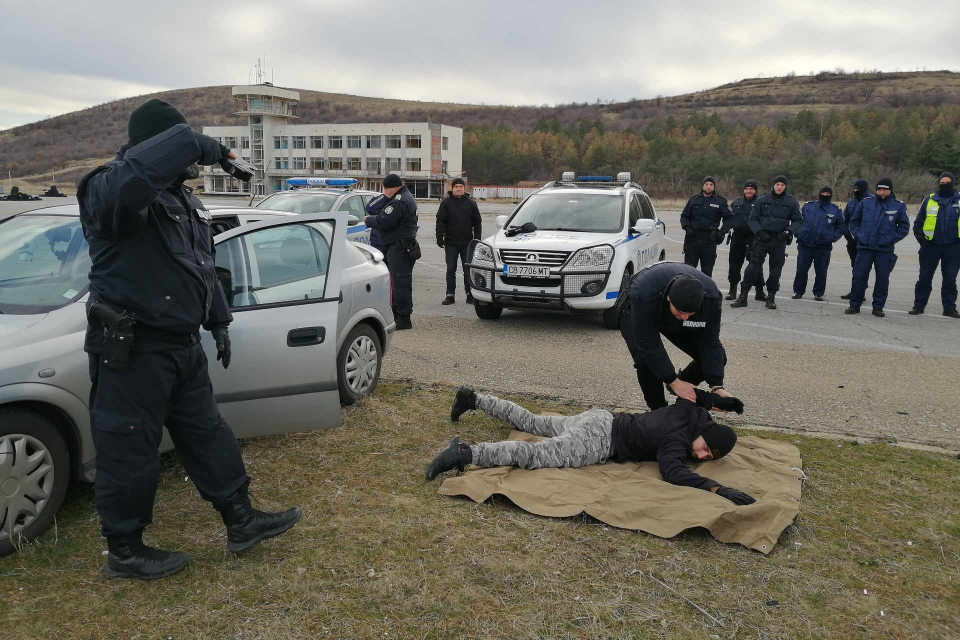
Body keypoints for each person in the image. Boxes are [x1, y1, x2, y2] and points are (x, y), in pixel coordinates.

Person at [77, 99, 301, 580]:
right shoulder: (107, 190)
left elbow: (201, 268)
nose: (192, 160)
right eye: (180, 145)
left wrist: (218, 319)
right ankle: (126, 550)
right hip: (132, 348)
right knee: (129, 448)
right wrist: (196, 143)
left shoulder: (182, 200)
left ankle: (241, 521)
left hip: (181, 345)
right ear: (159, 144)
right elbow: (131, 184)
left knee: (208, 434)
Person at [425, 388, 756, 506]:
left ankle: (474, 398)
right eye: (705, 451)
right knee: (536, 455)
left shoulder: (693, 413)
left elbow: (692, 394)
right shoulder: (677, 441)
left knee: (533, 422)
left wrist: (719, 401)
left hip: (599, 418)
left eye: (707, 459)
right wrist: (715, 488)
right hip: (599, 440)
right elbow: (673, 472)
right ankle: (468, 453)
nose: (700, 456)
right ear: (706, 437)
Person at [617, 262, 733, 411]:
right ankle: (658, 410)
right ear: (669, 299)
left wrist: (717, 386)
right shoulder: (643, 293)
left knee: (717, 357)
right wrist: (672, 379)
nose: (685, 318)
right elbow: (648, 345)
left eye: (690, 313)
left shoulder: (711, 298)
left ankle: (684, 386)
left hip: (670, 310)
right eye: (681, 312)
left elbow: (710, 342)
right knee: (645, 361)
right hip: (637, 307)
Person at [730, 175, 802, 310]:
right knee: (753, 266)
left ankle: (771, 297)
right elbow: (753, 219)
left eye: (782, 185)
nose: (779, 187)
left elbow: (798, 221)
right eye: (777, 184)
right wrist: (759, 232)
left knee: (776, 269)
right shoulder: (762, 200)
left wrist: (788, 232)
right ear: (773, 185)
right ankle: (743, 296)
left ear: (785, 186)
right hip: (762, 238)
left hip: (779, 239)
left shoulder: (792, 202)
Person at [845, 178, 910, 317]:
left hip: (884, 250)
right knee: (859, 277)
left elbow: (904, 227)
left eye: (885, 189)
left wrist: (890, 239)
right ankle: (854, 305)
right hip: (864, 247)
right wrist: (859, 236)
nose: (882, 192)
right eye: (879, 189)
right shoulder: (866, 203)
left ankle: (878, 307)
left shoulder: (898, 206)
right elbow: (854, 222)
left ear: (890, 190)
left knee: (882, 279)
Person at [364, 173, 419, 329]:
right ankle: (397, 313)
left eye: (386, 189)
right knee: (396, 283)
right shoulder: (403, 197)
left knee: (400, 283)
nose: (385, 193)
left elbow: (384, 220)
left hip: (400, 247)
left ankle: (404, 317)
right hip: (399, 246)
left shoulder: (399, 201)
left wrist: (367, 220)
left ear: (392, 187)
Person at [909, 172, 960, 318]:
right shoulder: (929, 199)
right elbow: (918, 223)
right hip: (931, 247)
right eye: (942, 182)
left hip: (953, 247)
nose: (944, 185)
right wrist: (923, 241)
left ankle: (949, 308)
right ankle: (918, 306)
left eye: (947, 182)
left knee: (950, 279)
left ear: (953, 183)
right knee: (924, 278)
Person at [792, 186, 845, 301]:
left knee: (821, 270)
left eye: (827, 193)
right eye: (823, 192)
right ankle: (798, 291)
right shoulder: (808, 206)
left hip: (823, 246)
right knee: (801, 269)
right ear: (819, 193)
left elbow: (841, 226)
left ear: (831, 195)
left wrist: (832, 237)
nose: (825, 195)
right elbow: (797, 220)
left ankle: (819, 293)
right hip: (805, 244)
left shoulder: (836, 210)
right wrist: (798, 233)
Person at [436, 177, 482, 305]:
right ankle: (450, 295)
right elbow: (440, 221)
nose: (458, 188)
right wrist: (439, 237)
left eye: (460, 186)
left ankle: (470, 294)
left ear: (464, 188)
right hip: (451, 243)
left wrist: (477, 240)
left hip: (467, 243)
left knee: (468, 270)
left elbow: (477, 223)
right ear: (452, 188)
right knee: (451, 269)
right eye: (456, 186)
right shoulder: (446, 203)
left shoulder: (471, 204)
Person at [679, 176, 732, 277]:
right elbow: (684, 216)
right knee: (689, 270)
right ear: (703, 186)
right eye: (706, 184)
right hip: (693, 239)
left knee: (707, 272)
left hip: (709, 240)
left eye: (711, 185)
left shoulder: (720, 201)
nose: (708, 186)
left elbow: (729, 218)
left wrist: (723, 230)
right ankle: (689, 292)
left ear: (714, 187)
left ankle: (706, 292)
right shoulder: (693, 199)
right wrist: (687, 227)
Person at [725, 179, 767, 301]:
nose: (748, 191)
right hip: (737, 239)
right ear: (743, 190)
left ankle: (759, 291)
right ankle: (732, 290)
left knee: (756, 266)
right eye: (746, 189)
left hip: (754, 239)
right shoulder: (736, 202)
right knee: (734, 265)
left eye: (751, 189)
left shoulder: (761, 203)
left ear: (755, 190)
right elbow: (729, 218)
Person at [841, 179, 870, 300]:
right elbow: (845, 219)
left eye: (858, 189)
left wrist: (861, 236)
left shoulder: (870, 202)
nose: (855, 191)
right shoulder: (851, 202)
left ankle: (860, 292)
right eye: (854, 189)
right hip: (852, 241)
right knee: (855, 266)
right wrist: (847, 235)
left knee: (862, 268)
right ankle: (855, 290)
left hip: (864, 241)